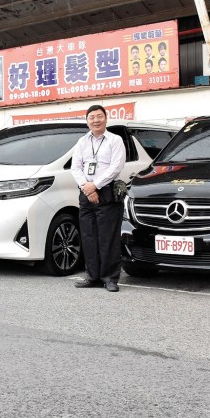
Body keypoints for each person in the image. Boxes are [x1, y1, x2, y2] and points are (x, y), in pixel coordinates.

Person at [70, 105, 126, 292]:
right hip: (86, 193)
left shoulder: (115, 140)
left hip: (107, 192)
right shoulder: (82, 142)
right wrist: (87, 187)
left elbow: (116, 166)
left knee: (107, 237)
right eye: (92, 117)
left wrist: (96, 185)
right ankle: (92, 275)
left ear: (106, 119)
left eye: (99, 116)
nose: (96, 120)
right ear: (87, 121)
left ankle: (110, 278)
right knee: (89, 236)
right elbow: (75, 167)